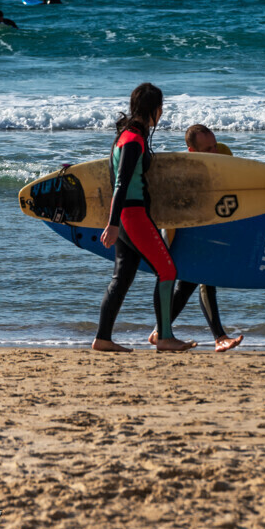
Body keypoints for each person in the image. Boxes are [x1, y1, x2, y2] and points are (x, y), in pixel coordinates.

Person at [95, 83, 195, 353]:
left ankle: (103, 338)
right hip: (133, 215)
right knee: (167, 270)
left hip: (128, 216)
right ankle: (164, 336)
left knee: (122, 276)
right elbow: (121, 183)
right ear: (156, 109)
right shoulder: (133, 140)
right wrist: (113, 224)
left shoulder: (124, 136)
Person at [147, 124, 244, 353]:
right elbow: (171, 208)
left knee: (190, 282)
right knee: (204, 276)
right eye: (208, 149)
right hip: (184, 229)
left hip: (209, 224)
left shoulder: (223, 154)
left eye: (215, 145)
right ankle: (219, 337)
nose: (215, 152)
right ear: (192, 151)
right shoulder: (182, 171)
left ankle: (160, 331)